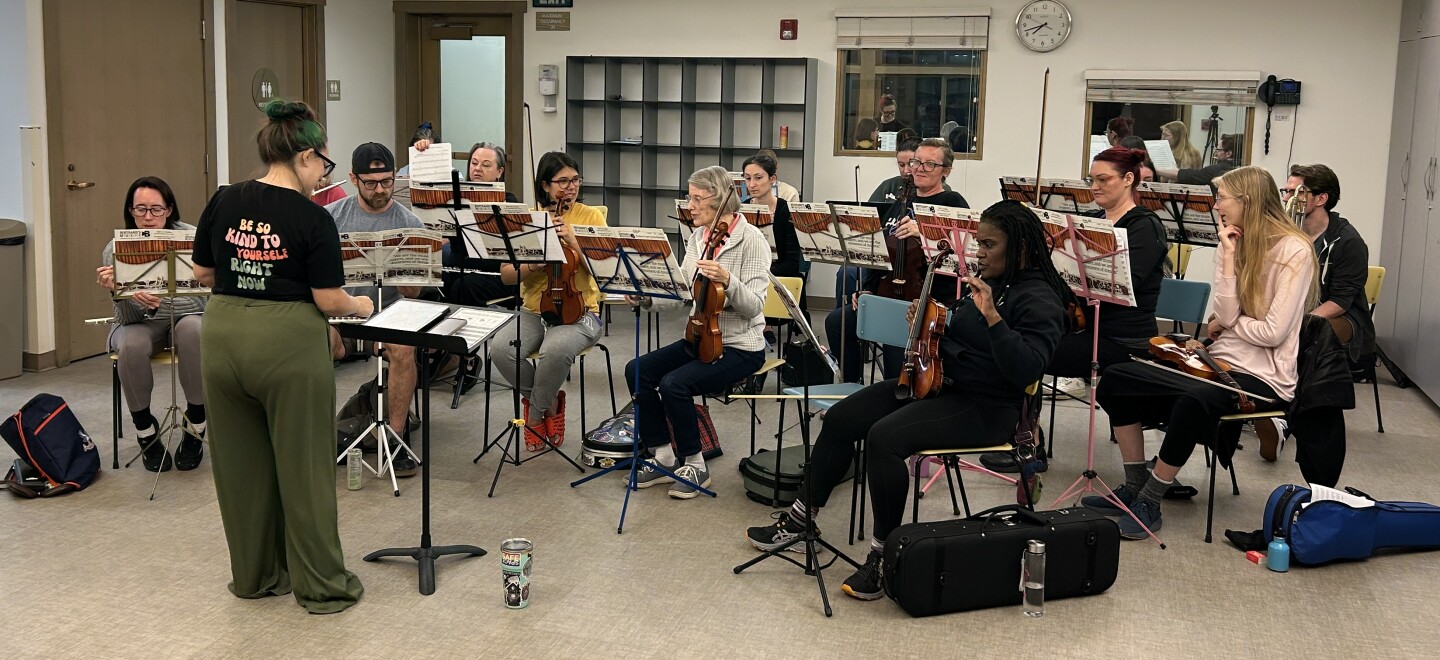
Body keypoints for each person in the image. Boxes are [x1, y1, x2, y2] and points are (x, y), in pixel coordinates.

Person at [746, 200, 1069, 600]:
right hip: (939, 383)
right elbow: (961, 330)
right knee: (843, 418)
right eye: (979, 244)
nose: (979, 253)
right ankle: (800, 521)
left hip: (987, 407)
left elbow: (1026, 370)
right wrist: (934, 320)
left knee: (885, 439)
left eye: (989, 245)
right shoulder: (994, 281)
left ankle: (884, 556)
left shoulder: (1040, 298)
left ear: (1019, 248)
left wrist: (992, 319)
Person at [192, 99, 369, 614]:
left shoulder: (223, 199)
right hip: (286, 341)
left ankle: (255, 575)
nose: (322, 176)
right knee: (305, 466)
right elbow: (329, 299)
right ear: (306, 157)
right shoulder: (312, 218)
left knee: (239, 466)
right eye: (324, 164)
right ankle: (321, 585)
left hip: (222, 335)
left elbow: (204, 273)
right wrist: (360, 303)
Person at [1086, 166, 1318, 539]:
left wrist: (1230, 324)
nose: (1216, 205)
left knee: (1195, 401)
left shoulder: (1294, 250)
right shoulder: (1233, 241)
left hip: (1263, 375)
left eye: (1222, 198)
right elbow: (1224, 315)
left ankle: (1151, 497)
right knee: (1116, 376)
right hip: (1217, 359)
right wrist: (1226, 259)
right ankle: (1133, 484)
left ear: (1247, 201)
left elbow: (1273, 333)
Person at [624, 166, 770, 499]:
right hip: (700, 336)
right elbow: (681, 293)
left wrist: (728, 280)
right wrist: (647, 296)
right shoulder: (699, 237)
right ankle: (662, 454)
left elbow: (754, 308)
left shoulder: (753, 241)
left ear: (721, 201)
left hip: (741, 345)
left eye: (696, 199)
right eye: (689, 197)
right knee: (637, 371)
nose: (689, 206)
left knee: (675, 384)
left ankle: (695, 463)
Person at [1254, 164, 1373, 468]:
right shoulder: (1284, 233)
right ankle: (1256, 400)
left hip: (1342, 318)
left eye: (1297, 192)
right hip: (1299, 310)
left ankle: (1283, 419)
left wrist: (1295, 321)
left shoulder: (1347, 241)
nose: (1288, 199)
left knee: (1309, 331)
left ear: (1321, 199)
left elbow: (1341, 301)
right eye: (1287, 191)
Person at [489, 151, 605, 450]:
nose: (570, 187)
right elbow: (506, 276)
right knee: (501, 350)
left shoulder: (591, 217)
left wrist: (574, 243)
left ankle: (535, 415)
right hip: (534, 310)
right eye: (562, 181)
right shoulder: (527, 219)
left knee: (555, 350)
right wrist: (535, 262)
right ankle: (550, 400)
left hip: (581, 312)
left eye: (575, 180)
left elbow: (605, 272)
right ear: (545, 186)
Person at [827, 138, 968, 383]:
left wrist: (924, 233)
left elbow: (960, 261)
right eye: (916, 162)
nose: (919, 168)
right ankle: (851, 387)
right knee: (837, 322)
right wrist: (867, 290)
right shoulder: (900, 203)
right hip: (887, 293)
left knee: (896, 346)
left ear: (946, 171)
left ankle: (895, 400)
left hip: (926, 300)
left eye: (929, 164)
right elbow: (881, 252)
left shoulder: (953, 204)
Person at [324, 142, 425, 476]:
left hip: (389, 316)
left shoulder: (410, 223)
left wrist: (399, 271)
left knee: (404, 346)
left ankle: (395, 436)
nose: (380, 190)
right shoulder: (332, 217)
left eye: (387, 181)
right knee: (312, 340)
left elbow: (414, 292)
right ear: (354, 179)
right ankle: (319, 433)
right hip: (341, 313)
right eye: (371, 183)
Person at [96, 176, 207, 472]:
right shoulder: (115, 247)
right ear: (130, 211)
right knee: (130, 344)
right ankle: (144, 428)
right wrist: (117, 294)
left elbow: (202, 302)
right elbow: (126, 319)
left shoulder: (192, 238)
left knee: (194, 330)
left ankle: (196, 421)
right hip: (140, 321)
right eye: (140, 209)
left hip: (185, 316)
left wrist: (162, 304)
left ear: (169, 209)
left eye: (156, 209)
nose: (148, 217)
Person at [1048, 148, 1169, 397]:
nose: (1095, 186)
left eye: (1103, 180)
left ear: (1128, 179)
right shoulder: (1091, 220)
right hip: (1088, 329)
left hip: (1124, 338)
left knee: (1031, 349)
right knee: (1021, 338)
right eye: (1092, 179)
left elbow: (1126, 284)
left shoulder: (1144, 226)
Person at [441, 141, 516, 309]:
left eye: (486, 165)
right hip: (460, 264)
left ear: (499, 172)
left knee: (464, 285)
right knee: (435, 279)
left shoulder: (508, 201)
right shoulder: (454, 199)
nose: (477, 168)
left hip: (494, 272)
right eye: (474, 163)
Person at [741, 151, 803, 279]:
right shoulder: (742, 210)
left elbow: (792, 263)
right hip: (747, 278)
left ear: (772, 179)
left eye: (758, 178)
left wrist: (760, 273)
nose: (751, 184)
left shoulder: (786, 210)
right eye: (748, 178)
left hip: (779, 279)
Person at [1162, 133, 1241, 184]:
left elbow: (1190, 175)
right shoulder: (1244, 168)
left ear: (1229, 153)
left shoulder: (1216, 170)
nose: (1216, 153)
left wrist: (1158, 169)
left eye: (1218, 150)